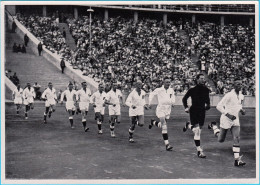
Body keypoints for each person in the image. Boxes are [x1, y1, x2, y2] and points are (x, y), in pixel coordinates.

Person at [208, 80, 246, 166]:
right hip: (226, 119)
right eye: (237, 84)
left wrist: (242, 110)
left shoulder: (241, 96)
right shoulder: (229, 95)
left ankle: (237, 160)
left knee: (236, 138)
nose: (239, 85)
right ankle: (214, 127)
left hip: (235, 120)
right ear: (234, 85)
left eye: (240, 84)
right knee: (220, 140)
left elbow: (239, 105)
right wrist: (228, 115)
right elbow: (219, 106)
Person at [182, 74, 210, 158]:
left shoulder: (206, 90)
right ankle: (199, 151)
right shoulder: (192, 90)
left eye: (203, 78)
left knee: (198, 131)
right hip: (194, 110)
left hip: (202, 111)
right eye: (201, 78)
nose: (203, 80)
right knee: (197, 130)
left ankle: (188, 125)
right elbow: (184, 99)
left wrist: (208, 106)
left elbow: (207, 101)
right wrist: (186, 107)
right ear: (197, 80)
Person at [148, 77, 175, 151]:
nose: (168, 83)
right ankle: (167, 144)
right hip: (161, 109)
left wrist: (173, 102)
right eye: (166, 82)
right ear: (163, 82)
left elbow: (173, 97)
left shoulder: (171, 90)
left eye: (169, 82)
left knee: (162, 125)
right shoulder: (159, 90)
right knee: (164, 126)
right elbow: (151, 94)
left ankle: (153, 122)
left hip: (168, 109)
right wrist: (150, 103)